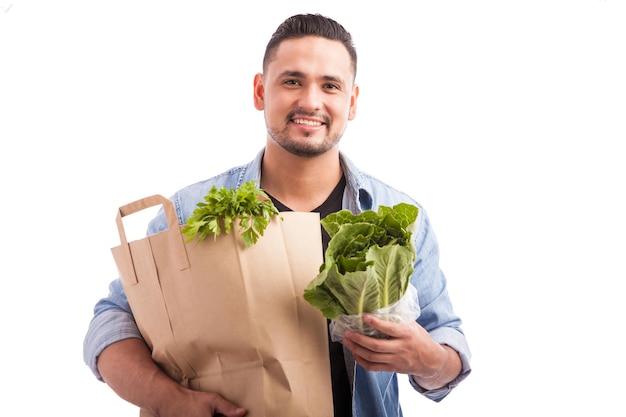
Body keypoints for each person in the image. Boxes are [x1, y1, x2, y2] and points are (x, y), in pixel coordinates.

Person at [83, 13, 471, 417]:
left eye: (330, 85)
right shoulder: (191, 212)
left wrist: (430, 360)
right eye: (292, 81)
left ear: (351, 102)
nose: (310, 101)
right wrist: (168, 400)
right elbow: (110, 323)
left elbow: (448, 342)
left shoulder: (398, 218)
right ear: (259, 91)